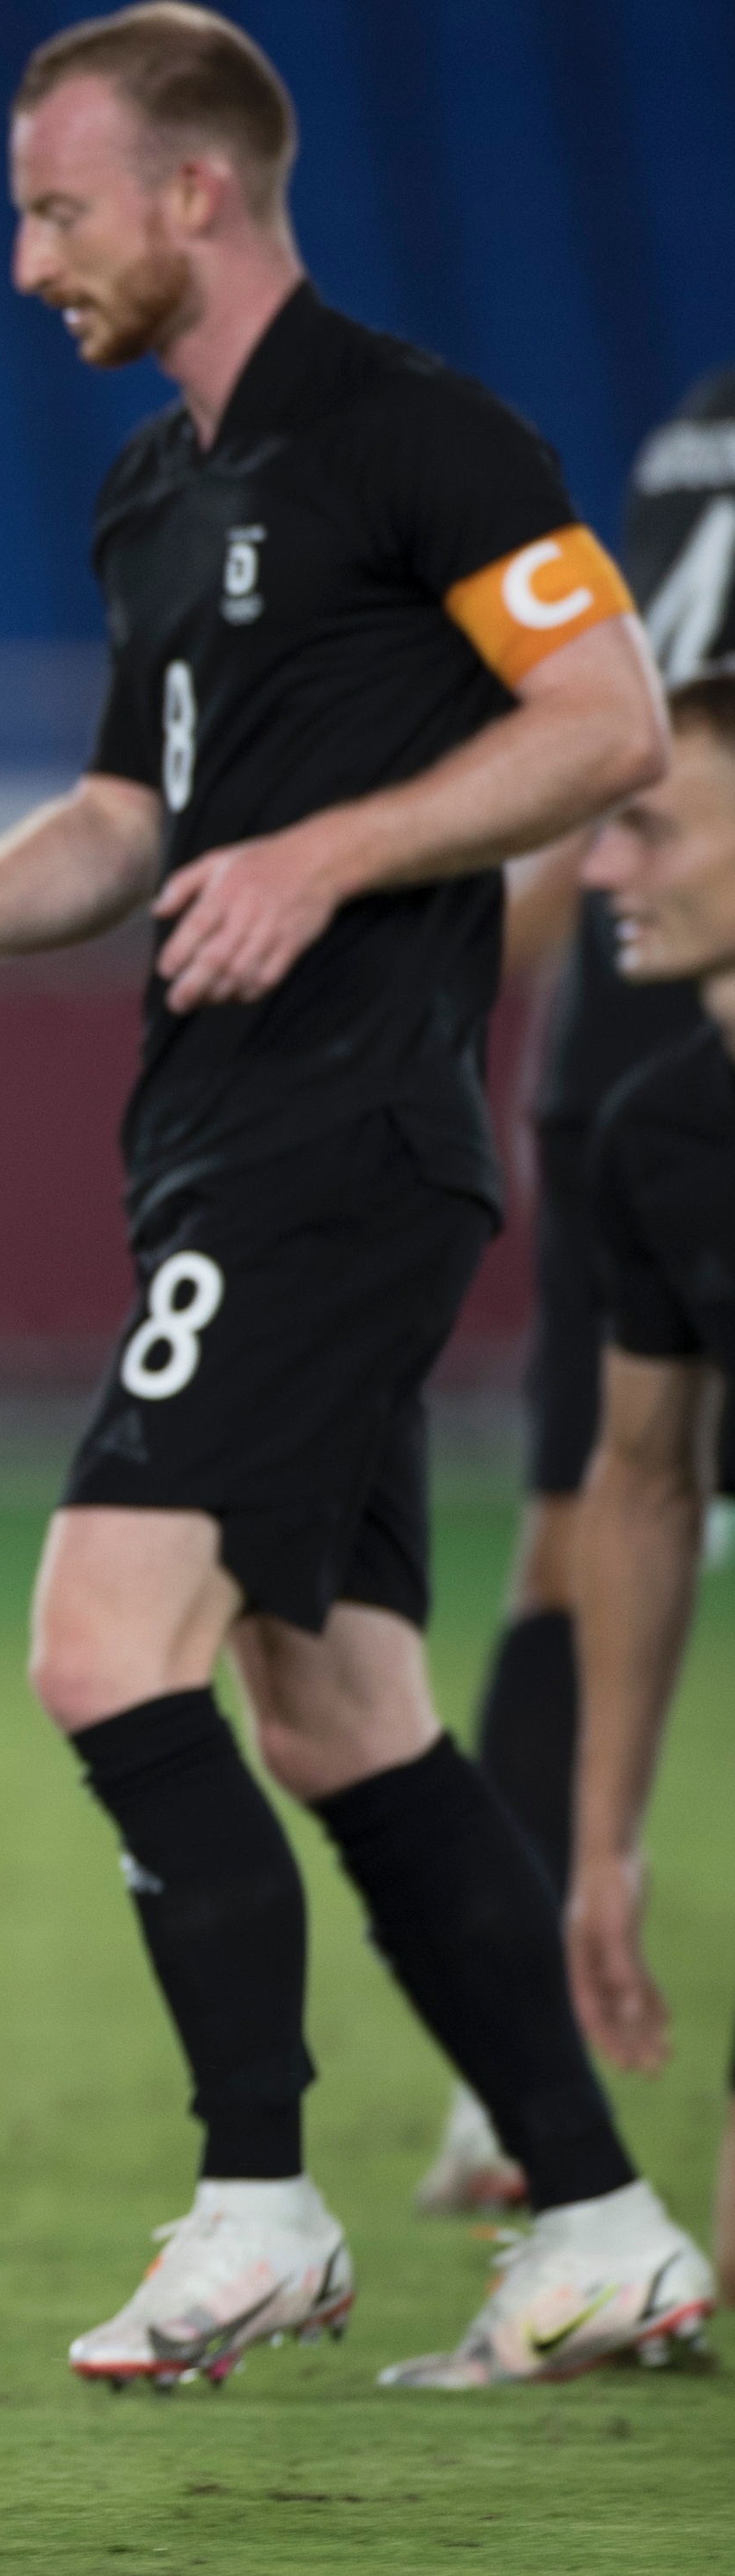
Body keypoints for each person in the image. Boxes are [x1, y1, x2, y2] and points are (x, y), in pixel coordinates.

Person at [0, 3, 708, 2390]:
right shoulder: (155, 492)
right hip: (218, 1133)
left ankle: (254, 2204)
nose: (28, 260)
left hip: (344, 1140)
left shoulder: (419, 435)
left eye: (57, 207)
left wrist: (324, 856)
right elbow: (137, 814)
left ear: (194, 191)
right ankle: (603, 2224)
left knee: (102, 1640)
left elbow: (611, 715)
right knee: (337, 1713)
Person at [421, 365, 735, 2216]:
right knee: (589, 1523)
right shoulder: (691, 441)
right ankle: (518, 2050)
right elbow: (609, 726)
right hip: (655, 1000)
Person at [556, 669, 735, 2326]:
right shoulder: (655, 1134)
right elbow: (639, 1487)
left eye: (644, 823)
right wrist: (603, 1842)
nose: (599, 870)